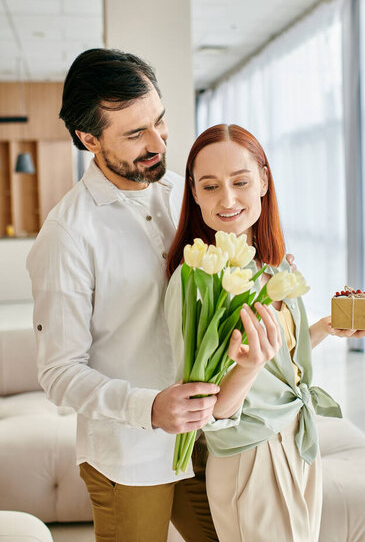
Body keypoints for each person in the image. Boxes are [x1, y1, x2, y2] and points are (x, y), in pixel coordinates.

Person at [26, 48, 224, 542]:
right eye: (135, 134)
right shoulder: (67, 234)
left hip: (209, 439)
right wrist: (151, 408)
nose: (158, 142)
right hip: (130, 452)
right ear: (88, 138)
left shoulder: (185, 194)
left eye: (160, 121)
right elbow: (58, 372)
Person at [165, 124, 365, 542]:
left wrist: (323, 329)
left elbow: (276, 364)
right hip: (250, 453)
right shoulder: (195, 279)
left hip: (297, 436)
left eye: (241, 182)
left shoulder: (275, 266)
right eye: (210, 186)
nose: (227, 199)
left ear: (264, 180)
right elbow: (207, 412)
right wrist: (247, 370)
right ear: (193, 193)